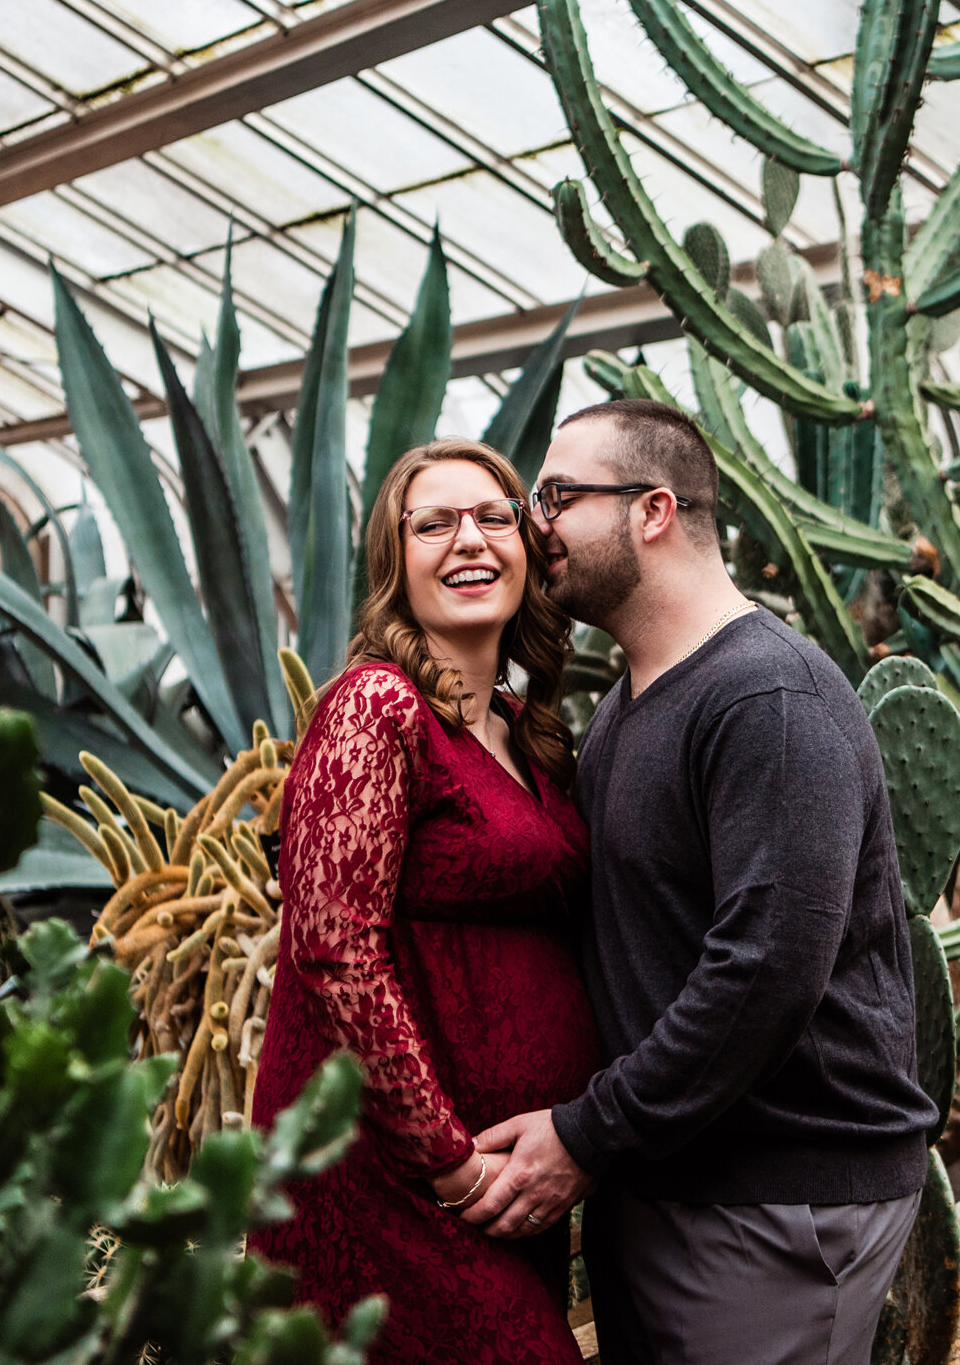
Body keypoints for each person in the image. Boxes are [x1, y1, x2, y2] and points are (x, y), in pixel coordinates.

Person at [462, 399, 935, 1364]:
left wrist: (587, 1135)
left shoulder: (766, 698)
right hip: (670, 1177)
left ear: (653, 511)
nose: (532, 522)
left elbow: (762, 973)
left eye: (557, 495)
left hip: (776, 1198)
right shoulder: (632, 708)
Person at [249, 439, 597, 1364]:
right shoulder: (376, 708)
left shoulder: (527, 729)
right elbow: (332, 947)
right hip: (391, 1183)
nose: (468, 540)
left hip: (505, 1187)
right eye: (433, 523)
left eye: (493, 517)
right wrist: (444, 1157)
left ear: (528, 543)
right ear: (394, 565)